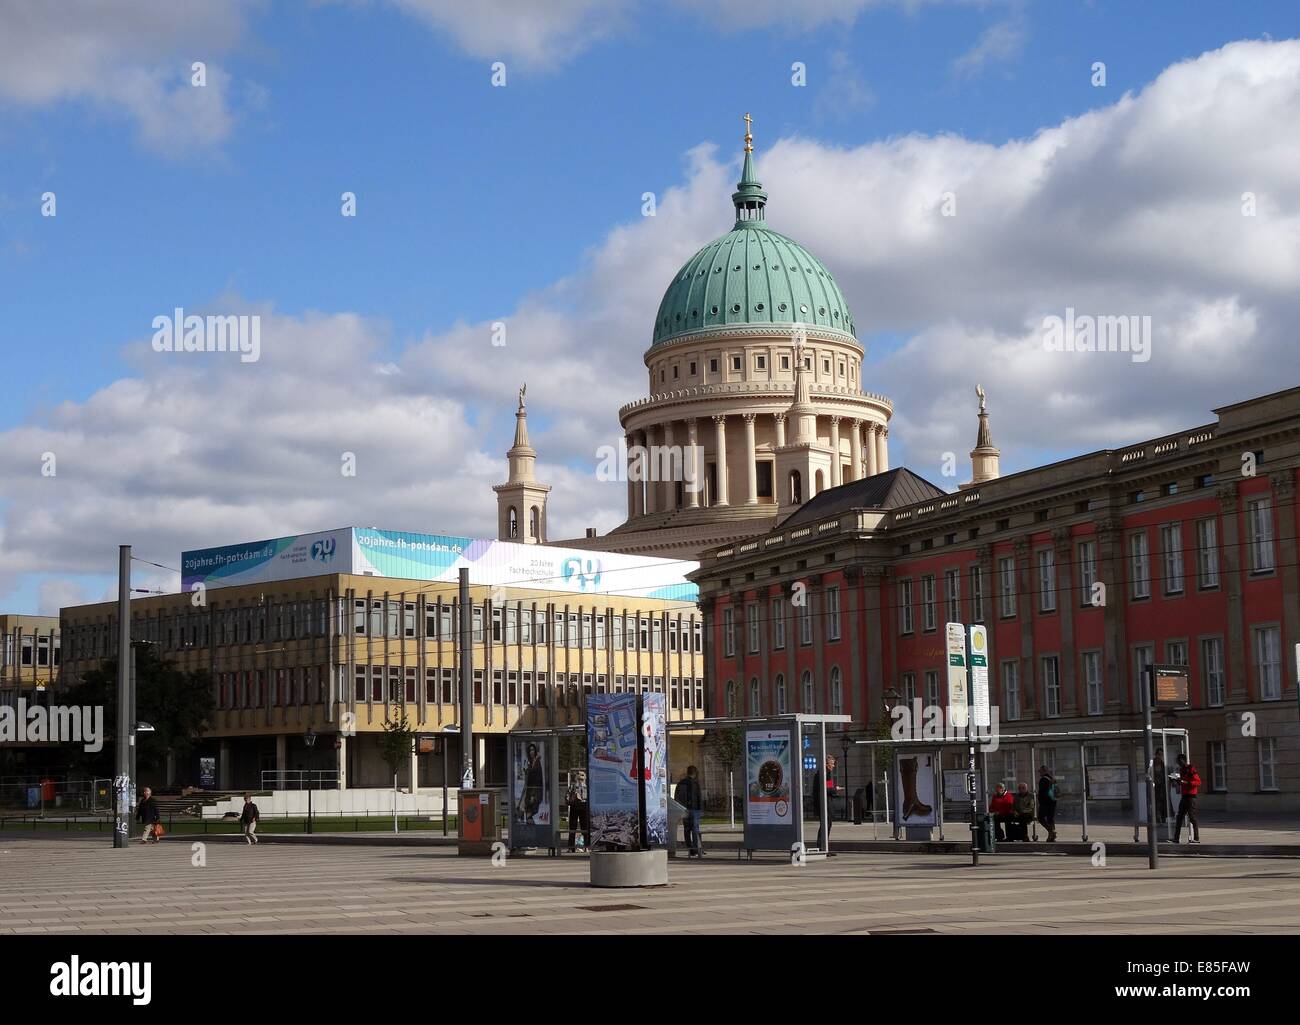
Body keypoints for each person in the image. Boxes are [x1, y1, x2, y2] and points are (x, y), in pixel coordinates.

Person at [1170, 753, 1201, 844]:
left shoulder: (1191, 769)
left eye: (1179, 761)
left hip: (1191, 797)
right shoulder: (1182, 770)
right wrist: (1177, 781)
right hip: (1184, 796)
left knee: (1192, 817)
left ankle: (1196, 838)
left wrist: (1185, 782)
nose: (1178, 763)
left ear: (1183, 760)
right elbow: (1183, 783)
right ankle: (1176, 838)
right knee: (1179, 817)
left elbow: (1198, 782)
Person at [674, 765, 704, 857]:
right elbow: (699, 797)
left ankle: (690, 849)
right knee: (695, 829)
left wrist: (680, 808)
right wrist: (701, 809)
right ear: (695, 773)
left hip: (684, 809)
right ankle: (697, 848)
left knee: (687, 830)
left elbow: (677, 796)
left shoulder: (681, 783)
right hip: (694, 809)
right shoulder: (695, 783)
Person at [813, 755, 841, 850]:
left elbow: (828, 788)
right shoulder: (825, 773)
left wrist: (833, 789)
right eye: (832, 764)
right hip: (825, 803)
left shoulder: (824, 773)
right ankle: (822, 847)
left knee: (826, 825)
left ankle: (823, 847)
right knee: (826, 825)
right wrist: (835, 789)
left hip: (825, 802)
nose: (833, 766)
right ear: (826, 764)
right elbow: (826, 789)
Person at [518, 743, 543, 824]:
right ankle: (531, 832)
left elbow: (538, 779)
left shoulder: (537, 762)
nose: (531, 752)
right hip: (528, 791)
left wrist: (534, 795)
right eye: (530, 750)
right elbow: (526, 775)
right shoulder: (529, 762)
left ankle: (532, 832)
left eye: (532, 750)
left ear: (535, 751)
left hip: (534, 792)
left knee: (529, 813)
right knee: (527, 814)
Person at [565, 773, 591, 853]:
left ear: (585, 778)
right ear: (576, 778)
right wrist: (572, 799)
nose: (580, 779)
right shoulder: (573, 787)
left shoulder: (587, 786)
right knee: (572, 827)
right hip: (574, 807)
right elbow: (566, 796)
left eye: (582, 776)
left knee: (585, 827)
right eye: (579, 777)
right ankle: (571, 847)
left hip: (584, 807)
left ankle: (586, 846)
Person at [1036, 765, 1058, 842]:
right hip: (1053, 801)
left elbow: (1042, 792)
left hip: (1045, 803)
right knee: (1050, 818)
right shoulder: (1053, 779)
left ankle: (1051, 831)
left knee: (1040, 818)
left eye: (1040, 771)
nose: (1039, 772)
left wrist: (1039, 800)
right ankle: (1051, 837)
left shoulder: (1043, 779)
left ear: (1044, 771)